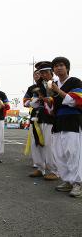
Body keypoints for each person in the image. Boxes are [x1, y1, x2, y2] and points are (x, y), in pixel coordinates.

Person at [49, 57, 82, 197]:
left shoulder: (75, 81)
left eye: (61, 65)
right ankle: (67, 180)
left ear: (67, 67)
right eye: (56, 66)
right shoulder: (53, 84)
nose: (58, 68)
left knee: (72, 152)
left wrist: (58, 91)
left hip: (72, 119)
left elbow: (76, 101)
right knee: (59, 153)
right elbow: (52, 107)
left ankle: (77, 184)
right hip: (58, 121)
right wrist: (48, 102)